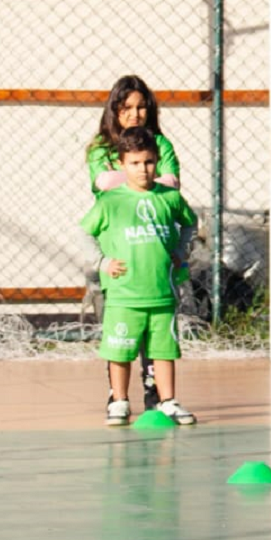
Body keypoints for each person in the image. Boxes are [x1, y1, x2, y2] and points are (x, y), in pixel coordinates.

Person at [81, 126, 198, 427]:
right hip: (124, 294)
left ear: (157, 161)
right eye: (134, 163)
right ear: (121, 165)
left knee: (163, 350)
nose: (142, 169)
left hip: (161, 292)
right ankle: (119, 401)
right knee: (120, 349)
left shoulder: (170, 198)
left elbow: (190, 224)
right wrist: (102, 261)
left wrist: (182, 251)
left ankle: (168, 400)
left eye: (148, 162)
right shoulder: (110, 201)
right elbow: (84, 233)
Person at [85, 75, 182, 410]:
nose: (135, 114)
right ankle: (117, 394)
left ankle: (155, 388)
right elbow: (103, 182)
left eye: (142, 107)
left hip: (151, 251)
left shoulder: (161, 144)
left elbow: (172, 182)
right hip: (118, 250)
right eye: (127, 107)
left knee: (155, 328)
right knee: (120, 328)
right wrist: (142, 178)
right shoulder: (100, 147)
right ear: (115, 109)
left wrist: (132, 177)